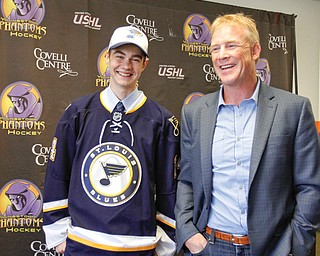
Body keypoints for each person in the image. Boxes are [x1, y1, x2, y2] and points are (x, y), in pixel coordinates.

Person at [175, 13, 320, 256]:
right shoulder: (195, 113)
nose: (222, 55)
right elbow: (187, 179)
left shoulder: (293, 109)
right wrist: (188, 234)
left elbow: (310, 187)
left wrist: (294, 245)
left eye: (231, 45)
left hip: (274, 248)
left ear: (255, 51)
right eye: (215, 48)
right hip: (210, 247)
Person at [42, 25, 180, 256]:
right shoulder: (77, 112)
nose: (126, 66)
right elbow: (58, 173)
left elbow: (169, 188)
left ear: (144, 64)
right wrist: (58, 234)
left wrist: (165, 243)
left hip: (139, 246)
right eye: (119, 56)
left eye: (135, 59)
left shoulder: (162, 121)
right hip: (82, 244)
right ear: (107, 58)